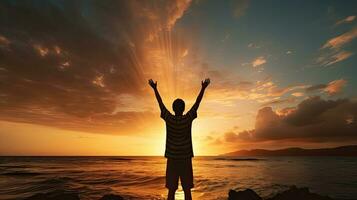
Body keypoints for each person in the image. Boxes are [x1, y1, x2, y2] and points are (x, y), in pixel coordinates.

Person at [148, 78, 210, 200]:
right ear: (183, 109)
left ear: (173, 109)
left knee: (171, 190)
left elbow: (160, 104)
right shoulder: (187, 118)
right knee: (187, 190)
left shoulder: (169, 119)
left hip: (172, 159)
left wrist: (155, 89)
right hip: (185, 159)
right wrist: (203, 88)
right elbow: (197, 104)